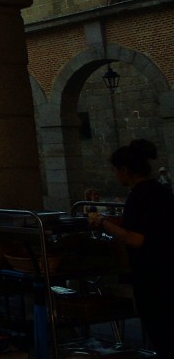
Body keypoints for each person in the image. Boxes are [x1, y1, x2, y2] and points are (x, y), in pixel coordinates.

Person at [90, 139, 173, 356]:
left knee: (161, 331)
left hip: (153, 274)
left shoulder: (139, 196)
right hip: (168, 266)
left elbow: (135, 238)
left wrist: (102, 222)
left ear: (125, 169)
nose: (114, 175)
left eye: (115, 170)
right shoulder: (162, 191)